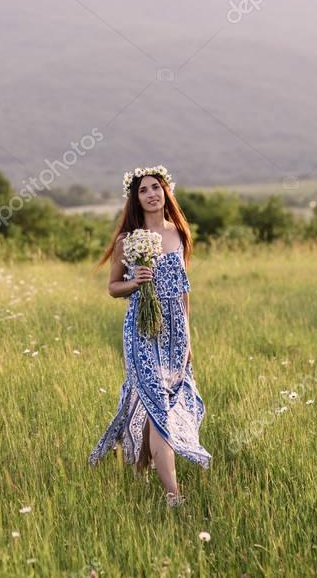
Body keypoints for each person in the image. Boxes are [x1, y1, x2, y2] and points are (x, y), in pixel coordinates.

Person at [87, 165, 211, 508]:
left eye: (156, 187)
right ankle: (173, 495)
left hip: (175, 334)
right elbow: (113, 288)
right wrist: (135, 282)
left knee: (159, 405)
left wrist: (189, 342)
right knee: (157, 405)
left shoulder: (179, 234)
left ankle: (141, 467)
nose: (151, 194)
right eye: (143, 190)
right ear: (135, 197)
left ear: (165, 191)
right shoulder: (127, 240)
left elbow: (185, 293)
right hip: (141, 332)